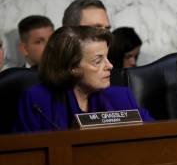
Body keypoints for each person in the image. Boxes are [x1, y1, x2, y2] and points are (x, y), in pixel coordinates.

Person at [14, 26, 152, 132]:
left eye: (107, 58)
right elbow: (25, 158)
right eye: (98, 61)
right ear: (72, 67)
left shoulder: (121, 97)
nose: (110, 66)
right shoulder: (38, 102)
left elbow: (157, 135)